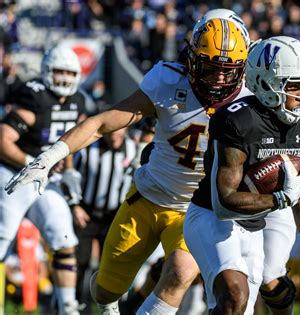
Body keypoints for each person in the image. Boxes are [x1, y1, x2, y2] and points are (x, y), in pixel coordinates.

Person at [5, 17, 250, 315]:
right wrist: (49, 157)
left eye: (228, 72)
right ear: (192, 60)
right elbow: (100, 124)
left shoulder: (249, 102)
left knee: (180, 273)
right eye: (210, 69)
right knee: (105, 291)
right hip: (147, 199)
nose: (219, 81)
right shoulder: (168, 81)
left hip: (195, 209)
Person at [184, 36, 300, 314]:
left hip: (267, 209)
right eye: (296, 86)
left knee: (273, 285)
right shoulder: (239, 121)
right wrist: (281, 199)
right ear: (265, 83)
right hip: (213, 214)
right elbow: (224, 203)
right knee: (236, 295)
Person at [0, 44, 85, 315]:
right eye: (58, 71)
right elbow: (3, 140)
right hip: (13, 173)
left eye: (69, 73)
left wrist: (69, 169)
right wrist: (32, 164)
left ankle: (67, 307)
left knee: (64, 240)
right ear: (47, 71)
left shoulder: (77, 101)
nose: (63, 78)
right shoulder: (35, 96)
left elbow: (69, 141)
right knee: (2, 239)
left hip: (44, 178)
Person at [72, 126, 136, 312]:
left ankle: (110, 308)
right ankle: (76, 306)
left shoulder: (132, 149)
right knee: (79, 261)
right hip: (86, 214)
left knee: (111, 266)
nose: (115, 135)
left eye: (119, 131)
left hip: (114, 216)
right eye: (112, 131)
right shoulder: (89, 148)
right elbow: (73, 176)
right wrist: (74, 205)